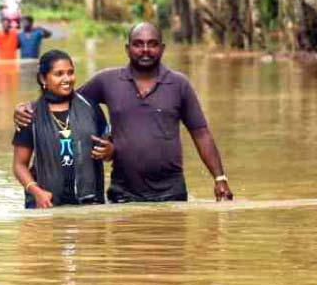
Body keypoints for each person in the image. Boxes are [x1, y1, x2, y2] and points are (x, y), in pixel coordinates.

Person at [14, 22, 233, 203]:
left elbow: (201, 133)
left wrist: (219, 177)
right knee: (125, 254)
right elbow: (64, 98)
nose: (145, 50)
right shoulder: (106, 81)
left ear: (162, 49)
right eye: (138, 44)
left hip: (172, 190)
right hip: (123, 193)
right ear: (127, 49)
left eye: (152, 44)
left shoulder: (179, 84)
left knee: (171, 253)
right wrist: (26, 108)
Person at [12, 50, 113, 209]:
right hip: (46, 204)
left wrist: (109, 152)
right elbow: (19, 165)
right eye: (59, 74)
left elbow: (108, 151)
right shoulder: (29, 114)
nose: (67, 79)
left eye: (70, 73)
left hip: (89, 205)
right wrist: (37, 192)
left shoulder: (91, 108)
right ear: (43, 78)